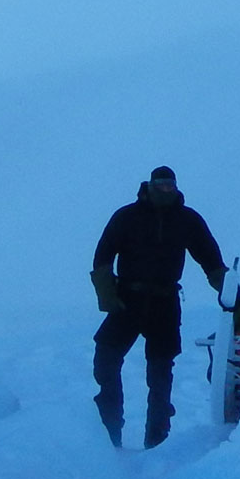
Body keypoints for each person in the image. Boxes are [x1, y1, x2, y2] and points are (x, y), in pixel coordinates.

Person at [90, 166, 226, 449]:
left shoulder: (188, 220)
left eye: (170, 185)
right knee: (106, 359)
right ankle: (109, 433)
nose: (165, 190)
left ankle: (157, 440)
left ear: (176, 186)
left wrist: (228, 290)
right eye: (160, 185)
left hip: (165, 303)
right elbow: (102, 257)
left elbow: (210, 258)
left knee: (160, 372)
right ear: (150, 186)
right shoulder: (127, 216)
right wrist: (108, 296)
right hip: (127, 300)